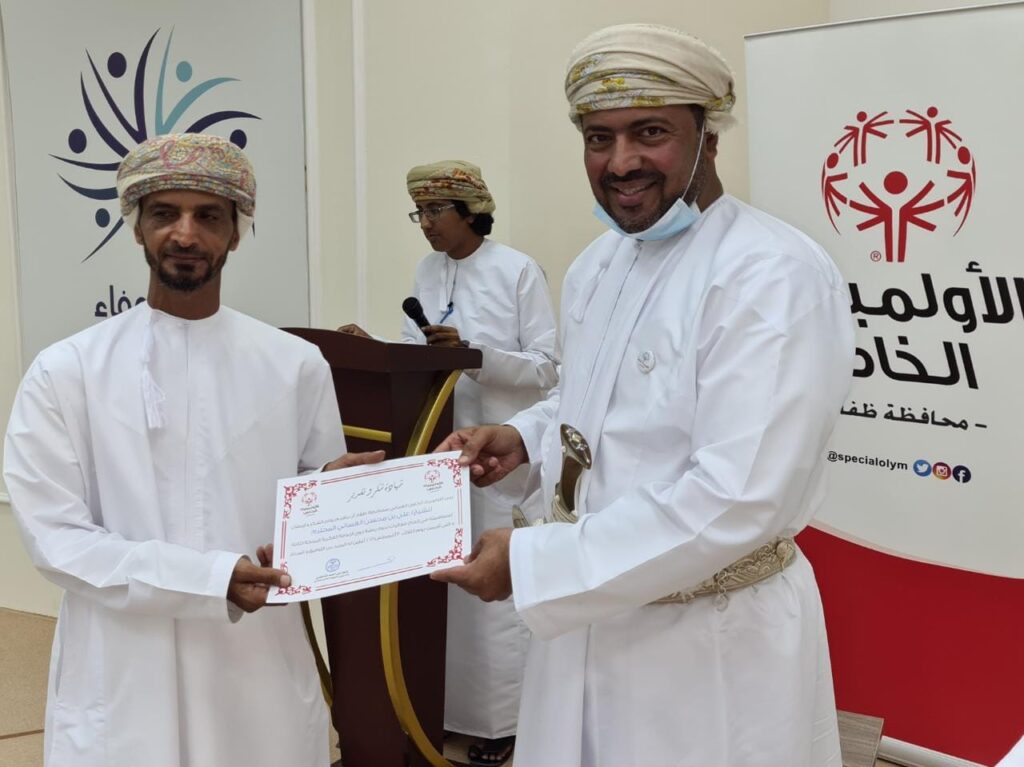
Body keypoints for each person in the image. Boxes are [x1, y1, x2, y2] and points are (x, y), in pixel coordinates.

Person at [433, 23, 855, 767]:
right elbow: (591, 404)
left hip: (708, 644)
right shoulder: (599, 264)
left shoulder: (770, 273)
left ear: (708, 136)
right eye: (599, 138)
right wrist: (525, 437)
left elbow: (739, 496)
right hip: (584, 624)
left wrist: (535, 563)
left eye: (650, 132)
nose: (621, 161)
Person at [3, 132, 381, 767]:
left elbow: (313, 513)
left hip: (255, 657)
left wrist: (340, 505)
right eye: (164, 214)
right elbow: (57, 540)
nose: (185, 234)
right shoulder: (67, 370)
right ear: (137, 228)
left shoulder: (295, 365)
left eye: (208, 216)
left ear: (236, 233)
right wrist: (209, 579)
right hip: (125, 659)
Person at [342, 160, 559, 765]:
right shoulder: (428, 270)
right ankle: (445, 711)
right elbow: (417, 353)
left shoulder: (517, 270)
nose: (426, 224)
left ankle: (505, 723)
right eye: (420, 213)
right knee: (446, 587)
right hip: (436, 444)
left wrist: (475, 354)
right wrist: (376, 347)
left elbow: (547, 368)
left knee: (491, 595)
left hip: (500, 453)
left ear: (470, 212)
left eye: (436, 211)